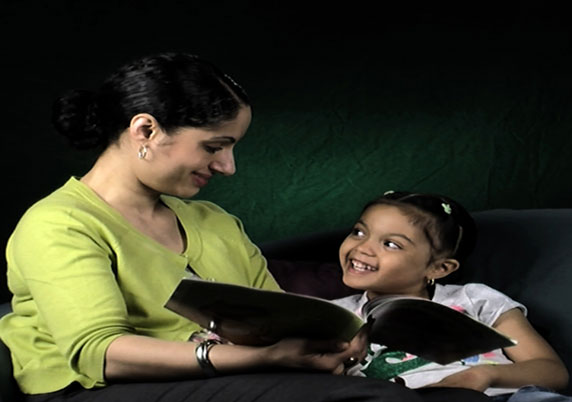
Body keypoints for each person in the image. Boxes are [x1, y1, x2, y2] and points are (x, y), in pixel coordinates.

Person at [0, 52, 492, 402]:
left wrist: (330, 340)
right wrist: (271, 357)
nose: (228, 167)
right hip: (103, 389)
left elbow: (278, 316)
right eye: (215, 146)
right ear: (145, 130)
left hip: (221, 377)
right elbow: (100, 354)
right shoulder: (59, 222)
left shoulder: (213, 221)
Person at [333, 190, 571, 401]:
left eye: (391, 244)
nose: (363, 247)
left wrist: (484, 375)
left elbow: (552, 372)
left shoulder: (475, 299)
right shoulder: (333, 315)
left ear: (439, 268)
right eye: (359, 232)